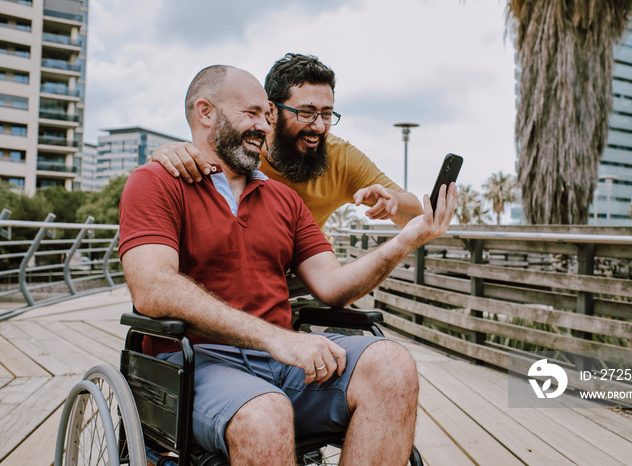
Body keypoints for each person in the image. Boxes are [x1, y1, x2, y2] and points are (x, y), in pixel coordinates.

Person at [119, 65, 457, 465]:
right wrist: (277, 339)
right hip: (195, 363)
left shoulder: (284, 200)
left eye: (266, 116)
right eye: (252, 114)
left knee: (392, 364)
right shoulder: (155, 182)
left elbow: (331, 285)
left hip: (282, 361)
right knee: (266, 413)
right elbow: (153, 288)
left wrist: (404, 241)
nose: (263, 126)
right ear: (205, 112)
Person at [152, 53, 424, 230]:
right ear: (272, 111)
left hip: (311, 278)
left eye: (327, 115)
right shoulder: (245, 147)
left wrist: (394, 203)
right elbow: (204, 150)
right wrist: (166, 152)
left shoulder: (340, 156)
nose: (318, 126)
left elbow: (417, 214)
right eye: (305, 113)